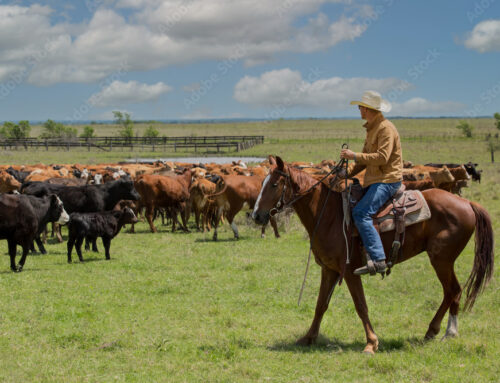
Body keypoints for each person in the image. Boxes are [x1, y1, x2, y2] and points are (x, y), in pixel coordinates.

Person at [340, 90, 403, 275]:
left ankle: (378, 258)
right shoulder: (372, 128)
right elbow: (364, 160)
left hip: (387, 180)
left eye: (361, 107)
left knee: (361, 213)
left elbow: (382, 158)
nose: (359, 109)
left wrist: (354, 155)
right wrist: (346, 171)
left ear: (368, 109)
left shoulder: (385, 128)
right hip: (375, 180)